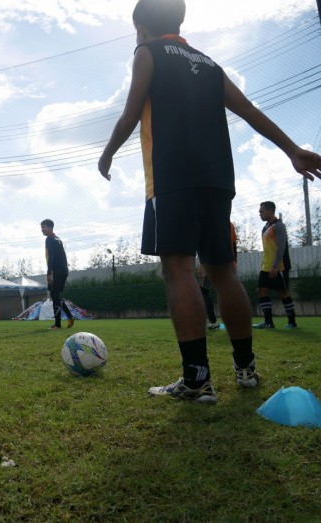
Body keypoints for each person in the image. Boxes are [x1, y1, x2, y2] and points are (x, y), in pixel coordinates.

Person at [98, 0, 321, 403]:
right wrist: (292, 149)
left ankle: (197, 379)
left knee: (178, 270)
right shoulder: (209, 63)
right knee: (223, 272)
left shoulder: (146, 53)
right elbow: (249, 110)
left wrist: (108, 152)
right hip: (218, 179)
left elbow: (130, 113)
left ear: (140, 27)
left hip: (174, 177)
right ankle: (246, 369)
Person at [255, 201, 297, 329]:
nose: (260, 214)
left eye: (261, 211)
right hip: (265, 267)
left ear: (269, 211)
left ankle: (292, 322)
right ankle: (268, 322)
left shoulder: (279, 226)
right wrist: (264, 264)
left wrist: (275, 266)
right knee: (261, 291)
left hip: (279, 266)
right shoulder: (265, 228)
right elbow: (268, 249)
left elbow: (281, 247)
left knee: (283, 293)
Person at [199, 221, 238, 330]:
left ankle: (213, 321)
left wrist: (202, 264)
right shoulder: (230, 224)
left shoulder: (209, 222)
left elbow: (206, 244)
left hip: (211, 262)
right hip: (228, 262)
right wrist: (235, 262)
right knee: (226, 291)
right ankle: (234, 320)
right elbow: (234, 244)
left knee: (203, 291)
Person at [41, 219, 75, 330]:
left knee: (55, 296)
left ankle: (57, 324)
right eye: (41, 227)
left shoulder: (50, 239)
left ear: (50, 227)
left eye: (44, 227)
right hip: (64, 271)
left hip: (56, 272)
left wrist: (49, 273)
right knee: (56, 296)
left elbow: (51, 257)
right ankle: (69, 317)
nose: (42, 229)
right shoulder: (58, 239)